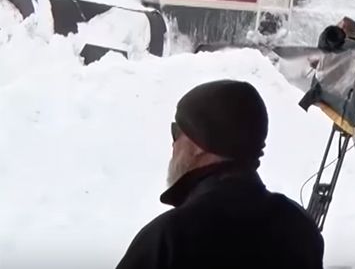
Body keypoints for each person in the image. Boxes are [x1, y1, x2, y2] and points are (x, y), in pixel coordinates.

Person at [115, 79, 325, 269]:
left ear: (199, 145)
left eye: (176, 132)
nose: (173, 144)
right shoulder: (300, 229)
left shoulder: (169, 240)